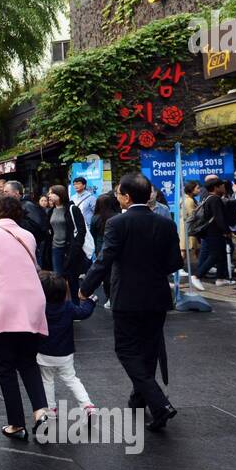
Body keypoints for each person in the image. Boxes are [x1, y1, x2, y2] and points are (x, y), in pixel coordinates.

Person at [80, 173, 184, 430]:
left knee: (126, 350)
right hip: (157, 296)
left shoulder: (118, 223)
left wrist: (85, 287)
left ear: (126, 197)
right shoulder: (166, 224)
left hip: (127, 296)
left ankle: (159, 403)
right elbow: (175, 263)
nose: (117, 197)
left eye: (118, 193)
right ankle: (139, 399)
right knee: (149, 350)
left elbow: (105, 258)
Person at [0, 194, 50, 440]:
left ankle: (16, 424)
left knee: (6, 366)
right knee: (28, 361)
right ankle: (41, 413)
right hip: (32, 302)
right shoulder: (28, 236)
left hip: (5, 304)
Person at [37, 271, 97, 419]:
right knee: (71, 379)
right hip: (65, 354)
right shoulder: (68, 307)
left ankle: (50, 410)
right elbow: (83, 313)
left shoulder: (39, 309)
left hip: (44, 353)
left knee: (47, 381)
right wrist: (91, 300)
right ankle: (87, 406)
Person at [190, 175, 233, 290]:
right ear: (216, 187)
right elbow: (219, 218)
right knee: (215, 255)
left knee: (221, 253)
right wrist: (227, 231)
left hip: (210, 232)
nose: (223, 188)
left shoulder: (208, 198)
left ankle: (220, 278)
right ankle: (197, 276)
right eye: (221, 186)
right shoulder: (215, 199)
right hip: (214, 232)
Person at [48, 184, 90, 301]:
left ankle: (76, 306)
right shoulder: (51, 210)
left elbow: (81, 230)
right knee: (58, 278)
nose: (49, 195)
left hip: (70, 248)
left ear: (60, 195)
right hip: (56, 248)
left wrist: (76, 247)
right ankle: (61, 305)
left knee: (72, 278)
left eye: (52, 193)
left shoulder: (72, 209)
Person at [90, 192, 123, 307]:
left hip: (100, 248)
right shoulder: (118, 217)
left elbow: (92, 235)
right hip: (117, 247)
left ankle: (109, 296)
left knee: (105, 274)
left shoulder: (95, 218)